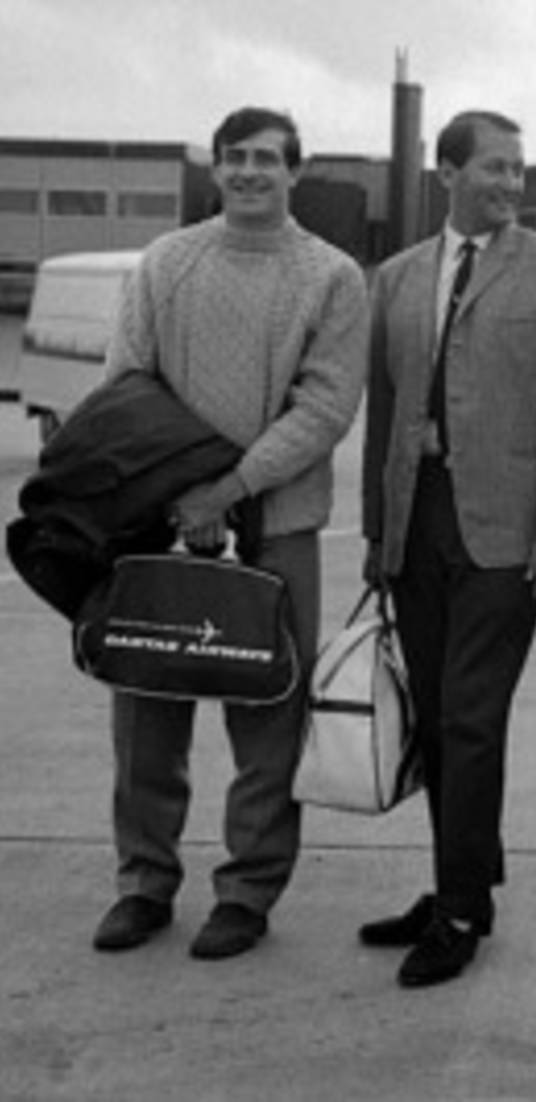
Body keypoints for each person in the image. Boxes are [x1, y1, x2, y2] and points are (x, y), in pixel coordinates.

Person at [92, 107, 370, 960]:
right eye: (234, 158)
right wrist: (182, 498)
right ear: (214, 170)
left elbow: (325, 406)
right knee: (145, 712)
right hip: (160, 527)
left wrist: (230, 489)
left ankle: (247, 892)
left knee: (267, 718)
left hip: (276, 527)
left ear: (296, 170)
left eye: (267, 159)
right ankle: (144, 881)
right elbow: (126, 382)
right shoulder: (167, 264)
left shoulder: (331, 277)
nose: (251, 172)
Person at [358, 110, 536, 988]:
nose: (511, 184)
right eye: (495, 168)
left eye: (519, 168)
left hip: (508, 537)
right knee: (433, 719)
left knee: (471, 719)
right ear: (447, 174)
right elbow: (384, 417)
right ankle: (455, 884)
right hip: (414, 528)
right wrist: (374, 534)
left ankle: (461, 910)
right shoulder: (393, 278)